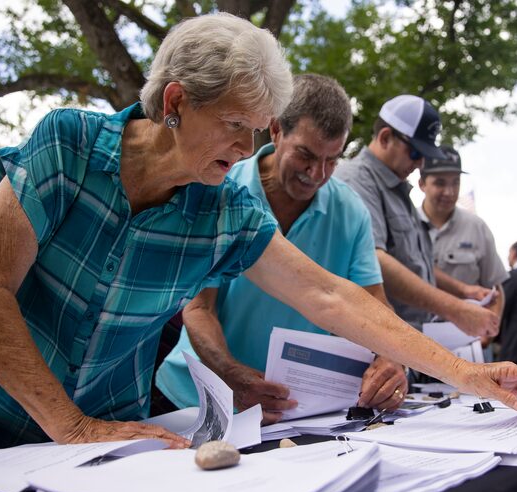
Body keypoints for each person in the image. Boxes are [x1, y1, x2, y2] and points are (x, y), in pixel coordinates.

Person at [0, 15, 517, 458]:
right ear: (174, 102)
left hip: (107, 436)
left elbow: (331, 295)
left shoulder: (223, 209)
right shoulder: (68, 146)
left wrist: (469, 377)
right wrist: (70, 425)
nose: (248, 148)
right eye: (233, 124)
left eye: (258, 128)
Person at [155, 74, 407, 423]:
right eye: (306, 154)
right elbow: (199, 309)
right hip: (194, 399)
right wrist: (231, 375)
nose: (317, 173)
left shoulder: (350, 210)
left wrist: (392, 356)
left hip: (293, 408)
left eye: (332, 160)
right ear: (275, 130)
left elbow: (374, 303)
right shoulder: (220, 188)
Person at [334, 95, 499, 338]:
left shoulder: (396, 187)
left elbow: (416, 264)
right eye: (415, 152)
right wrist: (456, 309)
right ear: (385, 137)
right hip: (377, 343)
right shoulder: (357, 181)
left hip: (408, 341)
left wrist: (463, 290)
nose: (421, 162)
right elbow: (372, 260)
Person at [417, 145, 508, 339]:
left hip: (467, 346)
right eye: (440, 183)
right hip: (412, 342)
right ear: (422, 184)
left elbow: (496, 289)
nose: (449, 192)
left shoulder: (477, 227)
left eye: (455, 183)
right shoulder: (403, 225)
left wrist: (489, 333)